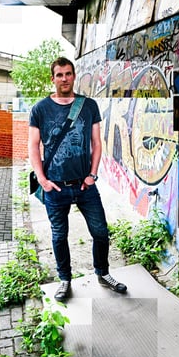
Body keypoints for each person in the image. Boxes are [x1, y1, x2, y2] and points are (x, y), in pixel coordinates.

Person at [28, 56, 127, 301]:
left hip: (85, 185)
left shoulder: (88, 105)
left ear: (74, 76)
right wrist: (42, 179)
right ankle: (64, 279)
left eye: (68, 74)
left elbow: (96, 143)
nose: (64, 78)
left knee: (101, 232)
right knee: (59, 236)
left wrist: (93, 175)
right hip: (55, 187)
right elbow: (33, 146)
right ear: (52, 79)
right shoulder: (40, 109)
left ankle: (103, 273)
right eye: (59, 74)